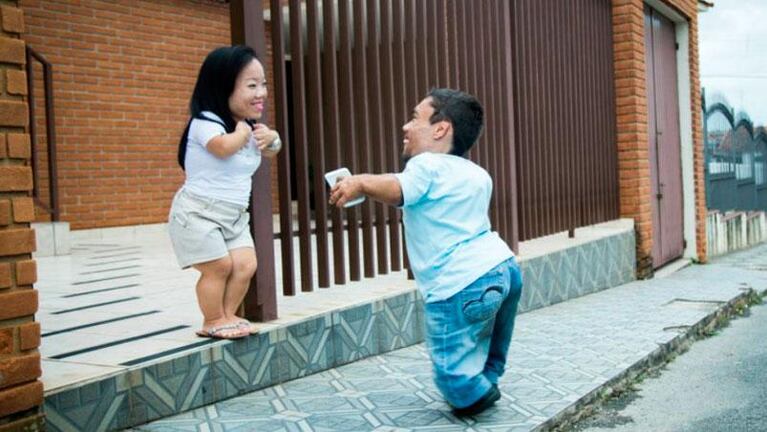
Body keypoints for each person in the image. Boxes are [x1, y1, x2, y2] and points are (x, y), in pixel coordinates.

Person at [329, 88, 523, 416]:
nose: (405, 127)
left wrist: (360, 183)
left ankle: (470, 393)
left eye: (414, 118)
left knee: (449, 367)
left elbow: (398, 189)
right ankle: (488, 377)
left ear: (440, 128)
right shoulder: (478, 174)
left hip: (458, 282)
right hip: (504, 269)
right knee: (492, 340)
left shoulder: (426, 165)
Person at [169, 45, 282, 340]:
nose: (261, 93)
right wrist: (242, 134)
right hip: (198, 212)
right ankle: (212, 319)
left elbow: (271, 151)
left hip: (233, 215)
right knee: (219, 266)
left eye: (263, 85)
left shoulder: (249, 126)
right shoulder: (205, 121)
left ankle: (229, 314)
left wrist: (273, 138)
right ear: (223, 87)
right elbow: (221, 148)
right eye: (251, 85)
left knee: (245, 265)